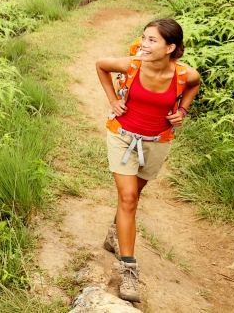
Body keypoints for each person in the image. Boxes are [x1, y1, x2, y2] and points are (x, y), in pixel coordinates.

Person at [95, 18, 200, 303]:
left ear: (171, 48)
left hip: (157, 143)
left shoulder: (182, 75)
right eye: (144, 38)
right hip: (122, 137)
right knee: (128, 198)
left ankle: (114, 232)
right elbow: (101, 65)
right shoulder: (132, 65)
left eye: (153, 40)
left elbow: (195, 82)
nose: (144, 44)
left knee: (134, 195)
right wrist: (112, 100)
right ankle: (129, 268)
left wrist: (183, 111)